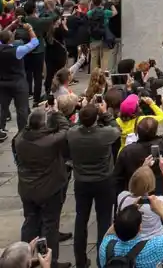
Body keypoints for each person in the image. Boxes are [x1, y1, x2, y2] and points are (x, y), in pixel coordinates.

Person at [66, 101, 122, 268]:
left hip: (82, 181)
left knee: (81, 219)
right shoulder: (104, 134)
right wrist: (105, 113)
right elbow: (116, 129)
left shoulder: (72, 134)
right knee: (104, 221)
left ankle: (80, 261)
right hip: (103, 180)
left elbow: (75, 126)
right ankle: (102, 260)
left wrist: (83, 112)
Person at [15, 107, 70, 268]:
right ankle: (50, 261)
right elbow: (65, 129)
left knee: (30, 221)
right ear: (43, 125)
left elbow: (28, 128)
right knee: (49, 225)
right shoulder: (49, 142)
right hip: (49, 189)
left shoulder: (20, 139)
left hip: (27, 188)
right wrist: (56, 113)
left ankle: (24, 258)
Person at [97, 201, 163, 268]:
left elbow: (108, 234)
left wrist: (126, 212)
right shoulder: (152, 248)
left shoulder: (106, 246)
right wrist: (161, 210)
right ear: (139, 228)